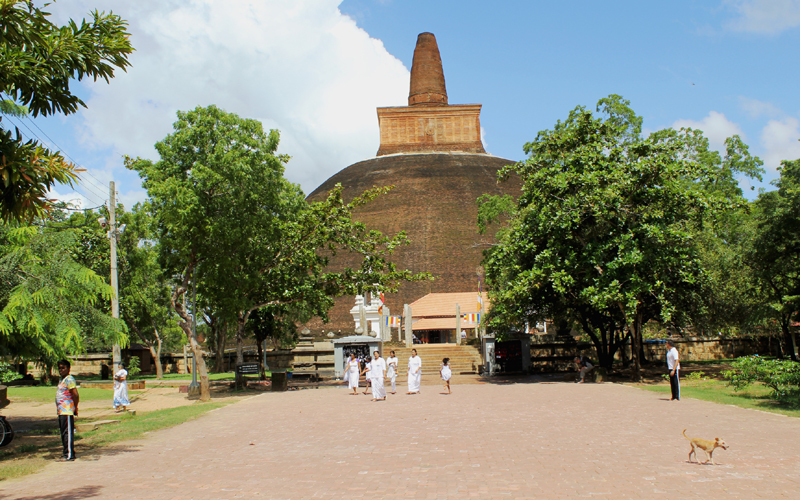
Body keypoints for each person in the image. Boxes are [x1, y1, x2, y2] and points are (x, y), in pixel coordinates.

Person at [55, 359, 79, 461]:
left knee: (67, 433)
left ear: (68, 369)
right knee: (64, 432)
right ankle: (67, 452)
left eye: (63, 368)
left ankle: (69, 455)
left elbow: (75, 394)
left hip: (67, 410)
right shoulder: (62, 380)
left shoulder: (69, 379)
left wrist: (75, 407)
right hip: (61, 411)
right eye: (59, 368)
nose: (61, 370)